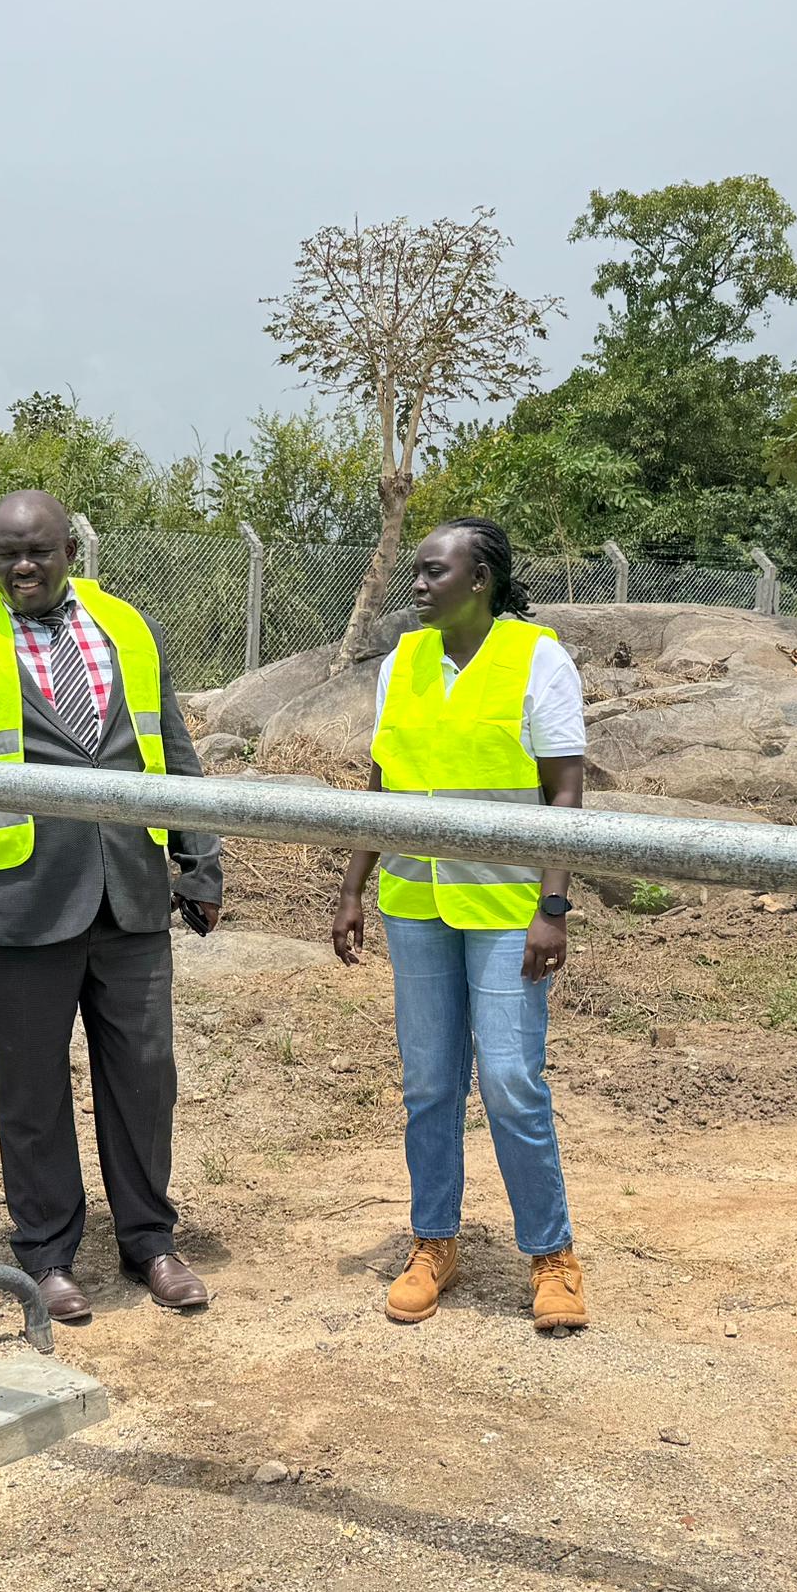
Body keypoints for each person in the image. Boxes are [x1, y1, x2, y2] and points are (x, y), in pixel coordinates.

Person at [0, 490, 221, 1324]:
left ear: (70, 547)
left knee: (147, 1081)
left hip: (133, 893)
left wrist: (201, 858)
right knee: (33, 1090)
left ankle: (151, 1241)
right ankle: (46, 1254)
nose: (23, 568)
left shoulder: (127, 628)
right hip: (22, 903)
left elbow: (170, 750)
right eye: (7, 555)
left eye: (37, 551)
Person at [332, 519, 590, 1332]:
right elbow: (381, 784)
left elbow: (565, 792)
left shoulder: (537, 659)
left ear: (479, 580)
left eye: (433, 570)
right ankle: (433, 1241)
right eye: (416, 570)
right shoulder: (402, 662)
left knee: (512, 1080)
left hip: (509, 909)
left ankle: (552, 1257)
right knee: (429, 1083)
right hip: (416, 903)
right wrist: (351, 889)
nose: (418, 583)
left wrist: (554, 908)